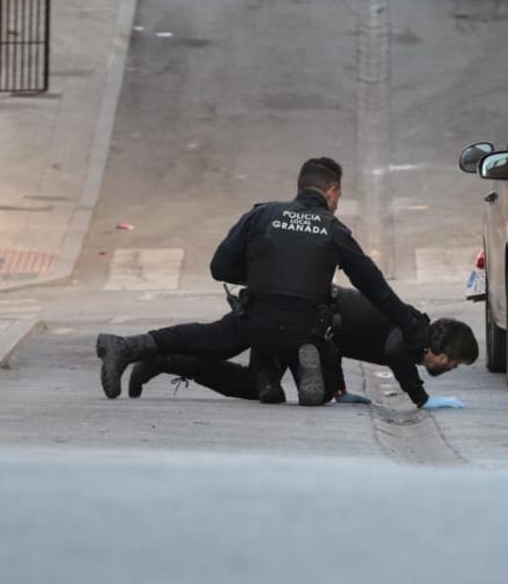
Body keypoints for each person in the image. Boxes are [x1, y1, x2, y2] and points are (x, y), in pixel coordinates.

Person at [96, 157, 425, 406]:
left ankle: (126, 347)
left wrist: (263, 274)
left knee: (209, 338)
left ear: (300, 187)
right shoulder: (334, 230)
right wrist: (410, 324)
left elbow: (219, 267)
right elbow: (374, 288)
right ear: (332, 191)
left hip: (255, 321)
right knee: (322, 383)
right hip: (305, 327)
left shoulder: (262, 215)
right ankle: (303, 359)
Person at [129, 288, 478, 409]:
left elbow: (343, 341)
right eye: (454, 363)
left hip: (313, 328)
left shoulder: (414, 331)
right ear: (442, 351)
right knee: (219, 343)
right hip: (299, 320)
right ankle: (160, 355)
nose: (450, 369)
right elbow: (392, 353)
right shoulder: (413, 332)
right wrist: (422, 399)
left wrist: (340, 390)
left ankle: (166, 361)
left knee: (251, 383)